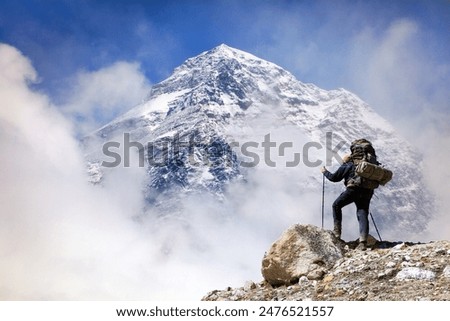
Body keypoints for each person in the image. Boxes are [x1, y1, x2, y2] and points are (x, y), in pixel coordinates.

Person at [320, 154, 373, 250]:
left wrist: (324, 172)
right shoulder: (365, 166)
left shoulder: (347, 165)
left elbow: (334, 178)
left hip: (353, 190)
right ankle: (363, 242)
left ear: (347, 159)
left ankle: (337, 234)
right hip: (367, 191)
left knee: (336, 205)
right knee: (362, 212)